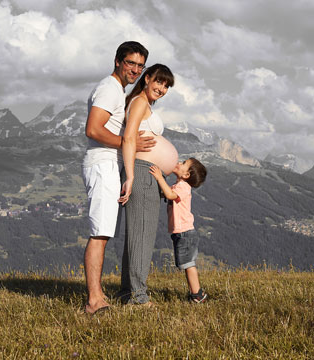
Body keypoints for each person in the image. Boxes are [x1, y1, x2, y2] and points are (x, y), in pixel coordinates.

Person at [82, 41, 155, 314]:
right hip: (102, 164)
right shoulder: (108, 89)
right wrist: (129, 141)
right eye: (130, 63)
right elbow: (93, 129)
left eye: (140, 65)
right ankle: (94, 300)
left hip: (110, 166)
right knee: (99, 233)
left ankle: (98, 295)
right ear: (117, 61)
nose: (135, 69)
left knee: (104, 232)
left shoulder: (117, 91)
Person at [117, 64, 178, 305]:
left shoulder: (143, 103)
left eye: (166, 86)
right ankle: (139, 298)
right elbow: (129, 137)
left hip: (146, 173)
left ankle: (127, 293)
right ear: (147, 79)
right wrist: (131, 176)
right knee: (142, 236)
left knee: (136, 237)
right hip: (141, 173)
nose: (162, 88)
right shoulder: (141, 102)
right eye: (159, 82)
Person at [149, 158, 208, 303]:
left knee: (188, 264)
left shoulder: (183, 187)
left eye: (183, 164)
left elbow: (169, 195)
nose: (179, 163)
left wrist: (158, 177)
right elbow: (167, 193)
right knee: (186, 264)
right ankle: (195, 293)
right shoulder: (178, 185)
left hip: (185, 233)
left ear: (187, 175)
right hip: (181, 232)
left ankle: (197, 295)